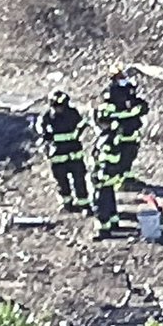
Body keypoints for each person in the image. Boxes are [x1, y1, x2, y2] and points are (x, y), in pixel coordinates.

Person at [34, 91, 89, 212]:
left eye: (60, 106)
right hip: (58, 154)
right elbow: (40, 126)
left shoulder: (73, 113)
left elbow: (81, 124)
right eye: (55, 106)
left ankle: (83, 203)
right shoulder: (48, 115)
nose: (58, 109)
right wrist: (44, 134)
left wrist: (77, 133)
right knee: (62, 182)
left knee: (79, 180)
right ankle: (67, 204)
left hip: (74, 153)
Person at [91, 110, 123, 239]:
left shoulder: (106, 140)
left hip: (105, 177)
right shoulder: (112, 135)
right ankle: (114, 223)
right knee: (110, 199)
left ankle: (103, 230)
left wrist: (100, 178)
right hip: (111, 177)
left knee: (101, 202)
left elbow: (105, 161)